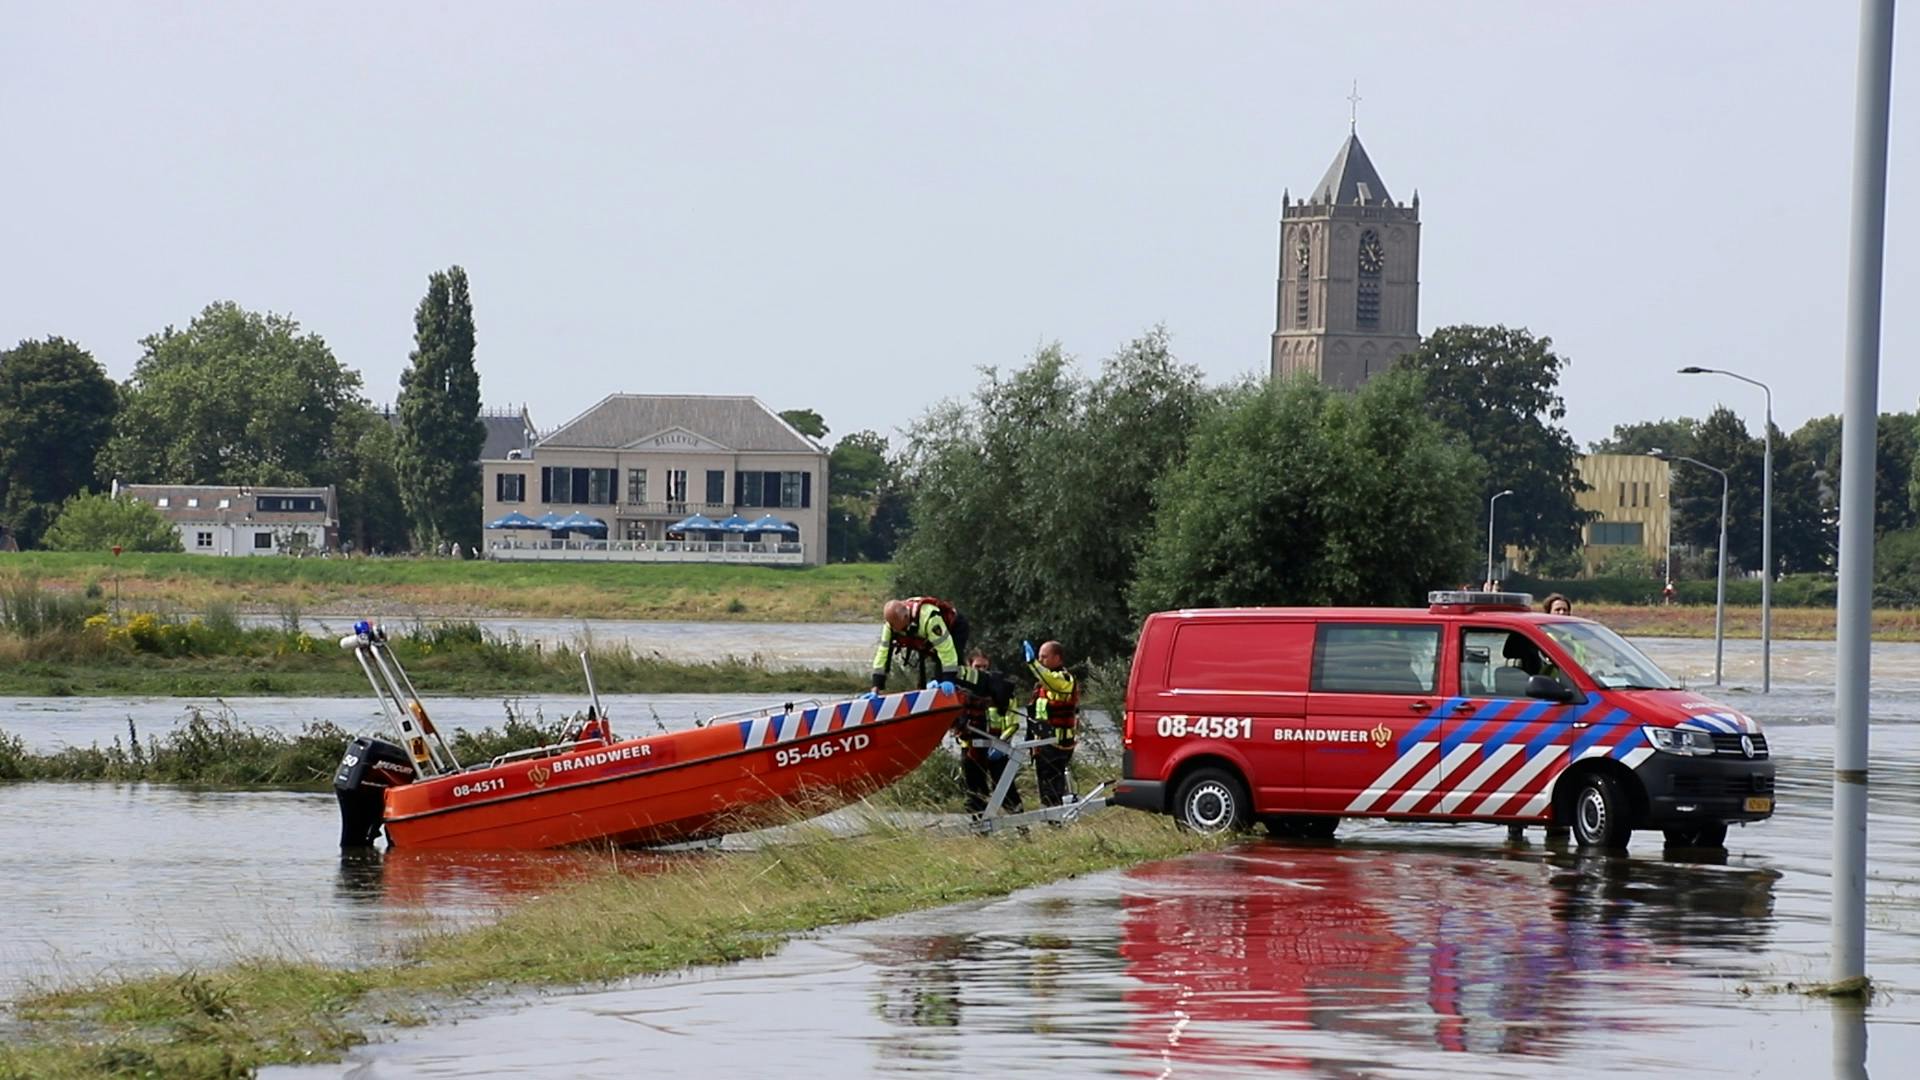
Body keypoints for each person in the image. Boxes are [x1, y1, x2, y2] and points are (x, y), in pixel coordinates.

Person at [955, 650, 1022, 815]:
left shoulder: (1001, 690)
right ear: (969, 667)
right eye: (977, 667)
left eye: (984, 667)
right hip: (971, 748)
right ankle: (980, 831)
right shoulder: (961, 693)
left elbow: (1013, 723)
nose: (981, 671)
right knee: (976, 794)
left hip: (997, 749)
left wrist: (1001, 744)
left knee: (1007, 790)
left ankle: (1022, 828)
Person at [869, 596, 977, 694]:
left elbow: (946, 649)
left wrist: (948, 679)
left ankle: (969, 690)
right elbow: (882, 653)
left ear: (906, 617)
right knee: (937, 675)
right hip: (932, 639)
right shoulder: (891, 624)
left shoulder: (929, 618)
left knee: (952, 664)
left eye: (894, 625)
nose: (892, 628)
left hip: (955, 627)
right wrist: (876, 686)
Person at [1025, 639, 1080, 807]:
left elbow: (1049, 679)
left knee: (1053, 787)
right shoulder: (1042, 685)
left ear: (1057, 658)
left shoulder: (1064, 680)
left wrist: (1032, 663)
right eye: (1039, 657)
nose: (1042, 661)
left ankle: (1055, 820)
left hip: (1059, 744)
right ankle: (1051, 818)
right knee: (1045, 785)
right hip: (1043, 744)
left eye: (1044, 657)